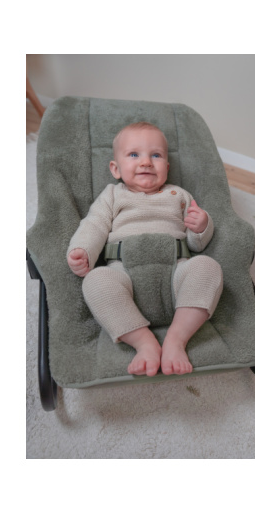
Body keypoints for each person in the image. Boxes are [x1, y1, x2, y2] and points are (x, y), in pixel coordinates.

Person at [67, 122, 223, 377]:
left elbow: (197, 244)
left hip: (176, 274)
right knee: (96, 280)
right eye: (133, 154)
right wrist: (83, 250)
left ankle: (176, 339)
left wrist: (201, 225)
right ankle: (144, 342)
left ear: (167, 168)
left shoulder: (179, 195)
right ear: (115, 169)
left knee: (207, 267)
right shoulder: (112, 195)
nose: (146, 162)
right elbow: (94, 224)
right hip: (124, 276)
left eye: (156, 155)